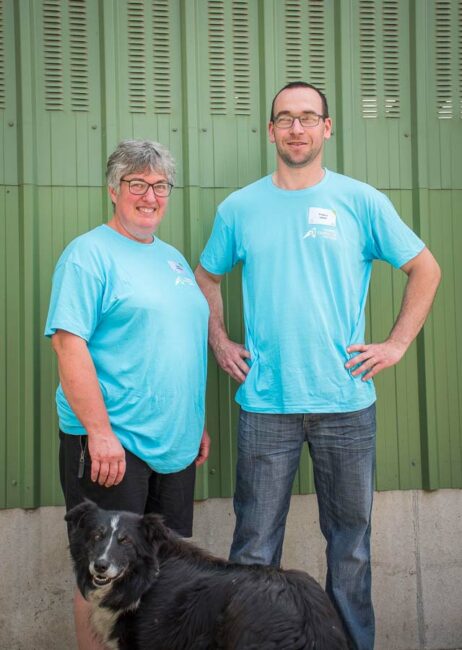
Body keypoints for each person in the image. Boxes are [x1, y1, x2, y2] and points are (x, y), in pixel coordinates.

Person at [195, 82, 441, 650]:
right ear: (271, 130)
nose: (297, 129)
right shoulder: (240, 207)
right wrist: (221, 342)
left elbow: (425, 269)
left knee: (350, 549)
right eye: (286, 119)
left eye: (308, 118)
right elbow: (208, 276)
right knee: (254, 550)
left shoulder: (361, 200)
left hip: (347, 405)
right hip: (266, 407)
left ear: (327, 128)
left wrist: (396, 345)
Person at [45, 139, 210, 650]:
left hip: (173, 447)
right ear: (113, 190)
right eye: (137, 184)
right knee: (103, 576)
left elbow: (173, 346)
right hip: (114, 446)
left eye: (160, 186)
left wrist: (193, 420)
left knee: (157, 569)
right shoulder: (88, 254)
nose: (150, 195)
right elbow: (69, 344)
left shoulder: (174, 260)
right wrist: (99, 433)